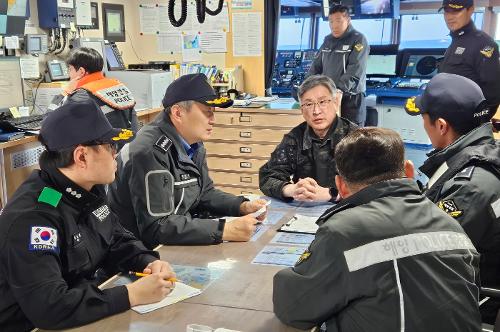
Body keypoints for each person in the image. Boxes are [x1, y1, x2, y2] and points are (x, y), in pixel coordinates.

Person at [273, 127, 481, 332]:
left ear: (341, 186)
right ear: (409, 171)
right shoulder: (450, 223)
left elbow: (293, 309)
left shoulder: (344, 232)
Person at [0, 100, 176, 332]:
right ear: (81, 156)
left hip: (82, 315)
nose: (117, 152)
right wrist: (130, 295)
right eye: (110, 145)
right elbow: (49, 307)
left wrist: (148, 261)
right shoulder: (35, 219)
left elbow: (116, 239)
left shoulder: (87, 190)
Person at [108, 73, 267, 249]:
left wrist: (241, 206)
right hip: (140, 253)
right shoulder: (149, 151)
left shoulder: (193, 143)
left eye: (213, 113)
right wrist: (225, 230)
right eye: (207, 112)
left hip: (175, 241)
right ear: (178, 113)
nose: (213, 120)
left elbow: (204, 194)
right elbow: (156, 227)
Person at [405, 72, 500, 324]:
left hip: (476, 302)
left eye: (424, 119)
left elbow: (426, 257)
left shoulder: (471, 186)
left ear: (442, 126)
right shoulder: (482, 153)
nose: (424, 127)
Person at [259, 75, 357, 202]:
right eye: (309, 104)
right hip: (304, 210)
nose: (316, 111)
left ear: (336, 102)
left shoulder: (356, 138)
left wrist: (332, 194)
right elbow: (267, 176)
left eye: (322, 102)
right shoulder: (295, 138)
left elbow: (371, 187)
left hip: (347, 211)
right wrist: (291, 189)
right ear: (302, 110)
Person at [50, 47, 138, 145]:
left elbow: (49, 124)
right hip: (128, 151)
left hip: (102, 154)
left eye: (70, 69)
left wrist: (63, 93)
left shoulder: (81, 96)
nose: (69, 75)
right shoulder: (117, 85)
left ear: (81, 71)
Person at [308, 5, 369, 126]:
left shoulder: (359, 39)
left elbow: (355, 70)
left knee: (353, 140)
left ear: (348, 20)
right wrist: (307, 86)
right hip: (329, 99)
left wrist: (336, 91)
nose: (334, 25)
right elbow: (316, 67)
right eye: (331, 21)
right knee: (331, 139)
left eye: (338, 21)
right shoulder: (327, 40)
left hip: (351, 100)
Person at [438, 0, 500, 113]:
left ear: (471, 9)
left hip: (464, 124)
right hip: (447, 119)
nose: (449, 17)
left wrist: (467, 124)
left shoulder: (484, 44)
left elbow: (492, 98)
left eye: (456, 11)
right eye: (447, 11)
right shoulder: (456, 41)